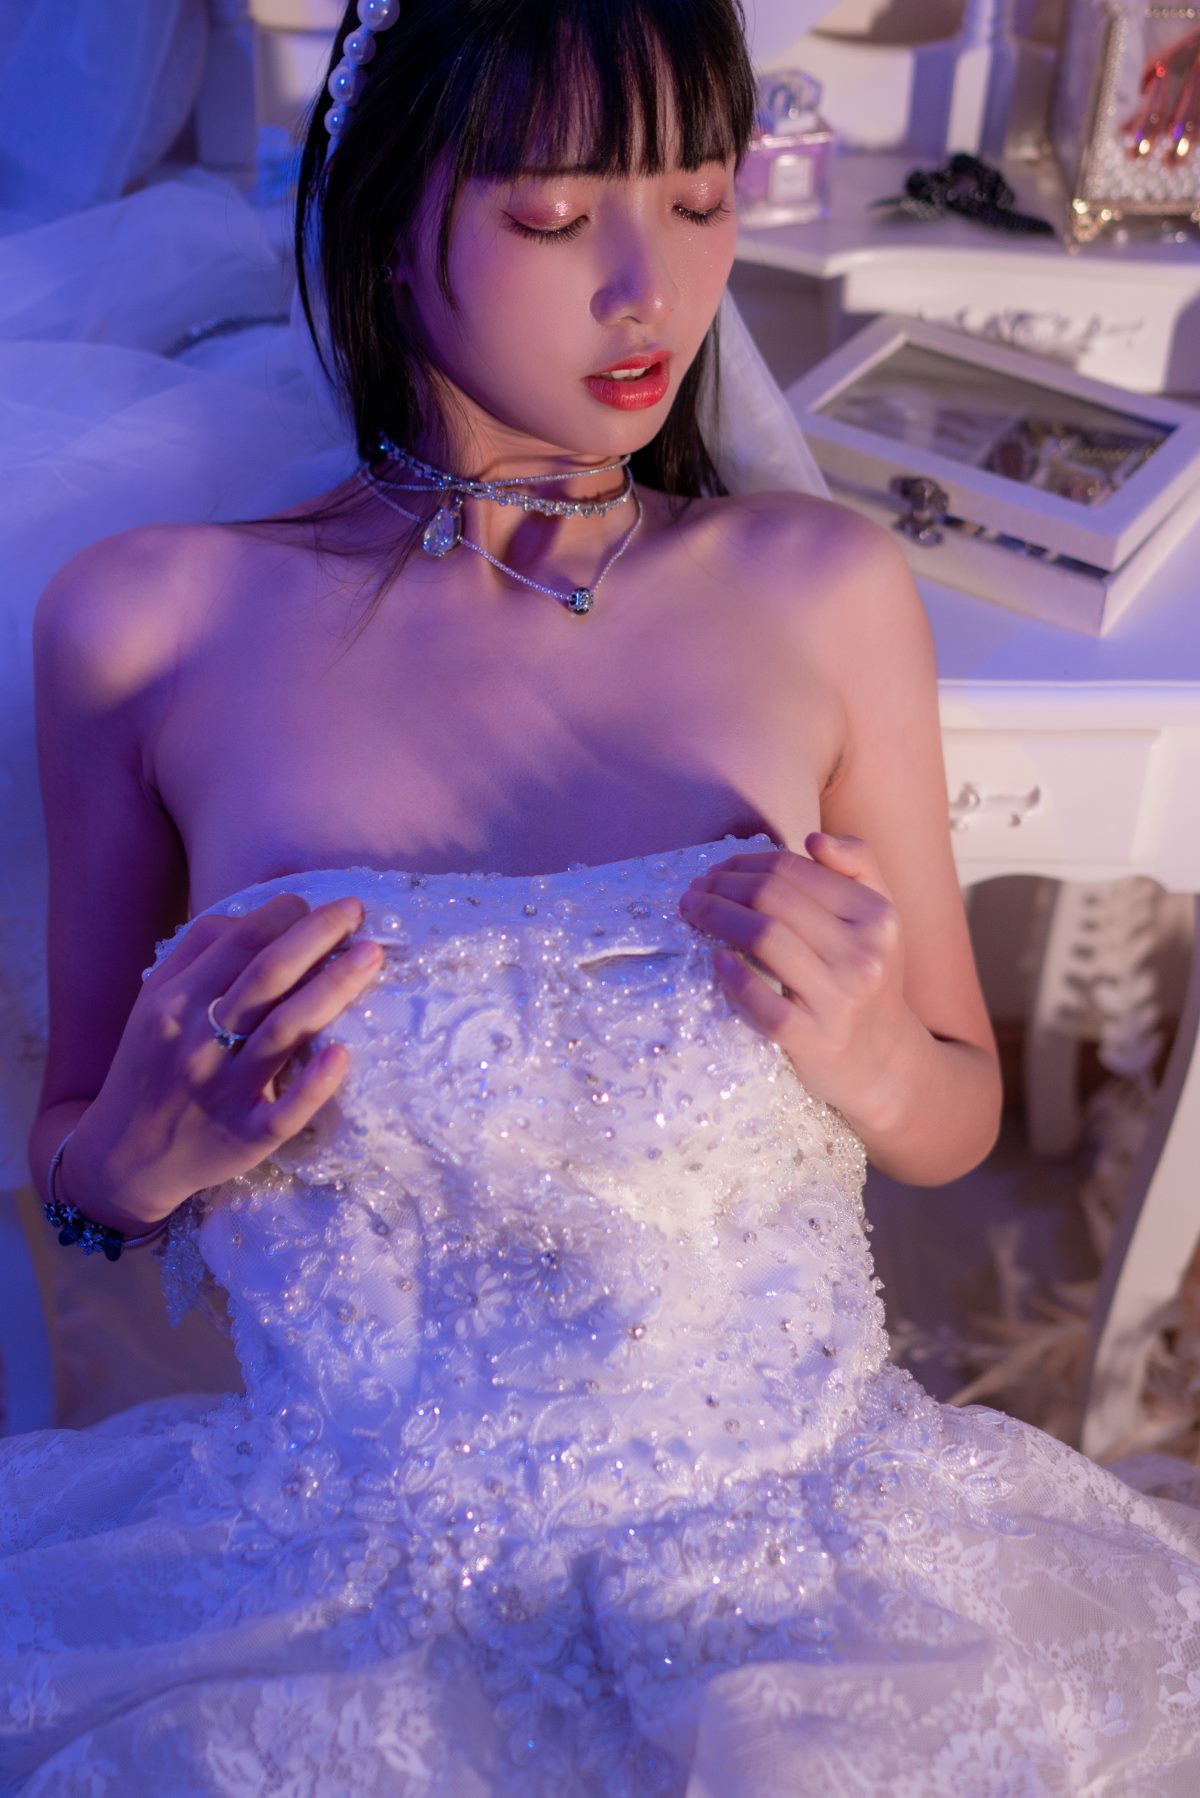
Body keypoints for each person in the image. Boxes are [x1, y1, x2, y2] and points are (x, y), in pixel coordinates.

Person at [3, 1, 1200, 1791]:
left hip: (804, 1589)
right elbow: (75, 1160)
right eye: (557, 219)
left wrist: (875, 1053)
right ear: (387, 220)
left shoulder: (820, 591)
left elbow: (957, 1107)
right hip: (329, 1597)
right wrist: (141, 1153)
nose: (655, 290)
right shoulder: (145, 623)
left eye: (703, 200)